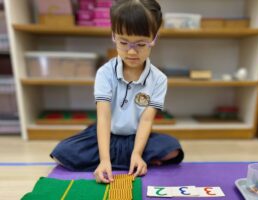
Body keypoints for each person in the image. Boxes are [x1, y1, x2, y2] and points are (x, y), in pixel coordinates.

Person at [50, 0, 184, 183]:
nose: (131, 52)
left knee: (173, 149)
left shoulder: (159, 79)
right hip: (106, 135)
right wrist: (104, 160)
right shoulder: (105, 73)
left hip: (136, 138)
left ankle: (132, 158)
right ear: (113, 36)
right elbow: (103, 118)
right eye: (124, 42)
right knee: (63, 152)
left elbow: (146, 120)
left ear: (154, 38)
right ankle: (125, 159)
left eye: (141, 44)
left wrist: (137, 153)